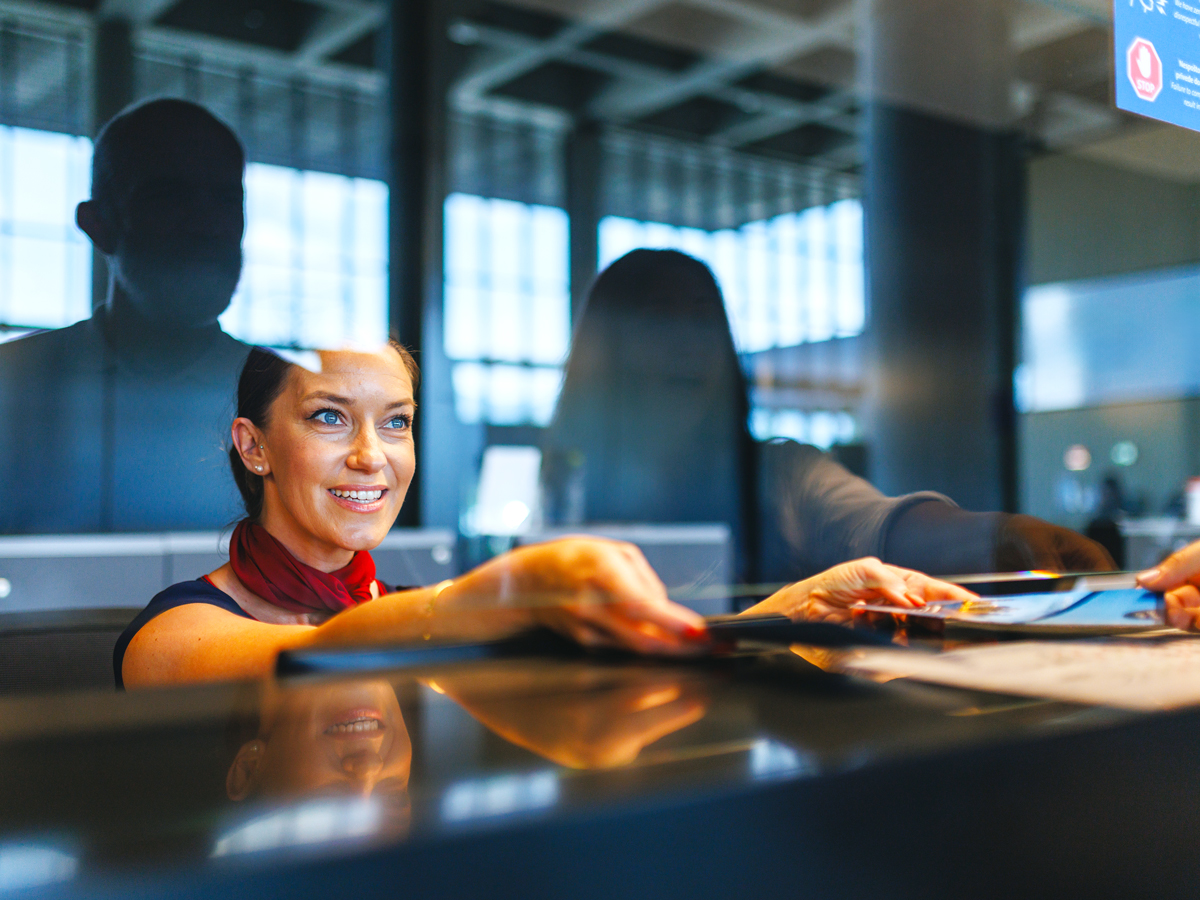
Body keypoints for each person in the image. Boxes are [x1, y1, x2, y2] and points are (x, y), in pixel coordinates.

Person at [115, 343, 974, 688]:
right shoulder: (178, 628)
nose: (373, 457)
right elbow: (302, 659)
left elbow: (602, 662)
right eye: (329, 418)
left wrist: (787, 614)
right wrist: (501, 598)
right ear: (254, 446)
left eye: (397, 422)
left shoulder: (396, 608)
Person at [541, 249, 1114, 584]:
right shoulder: (567, 481)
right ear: (605, 351)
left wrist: (998, 537)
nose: (689, 343)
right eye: (658, 318)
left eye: (702, 319)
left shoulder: (778, 474)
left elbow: (875, 524)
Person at [0, 98, 251, 532]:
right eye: (167, 197)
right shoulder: (10, 386)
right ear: (98, 224)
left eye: (227, 200)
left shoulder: (294, 402)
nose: (208, 225)